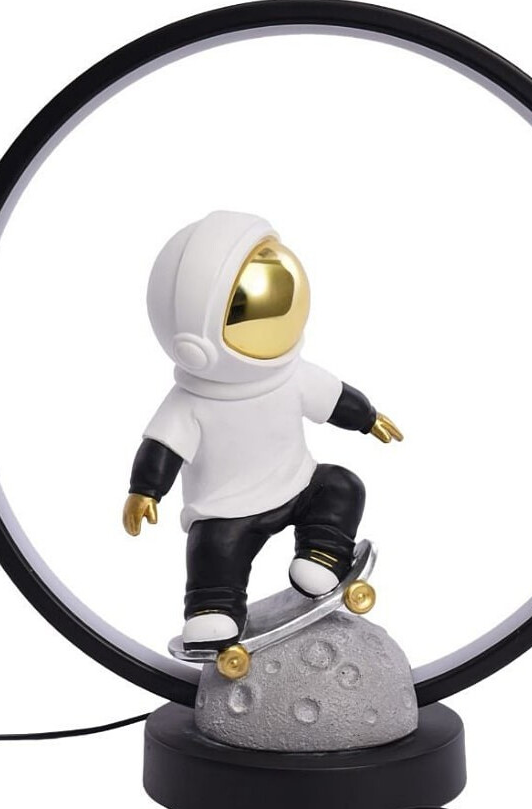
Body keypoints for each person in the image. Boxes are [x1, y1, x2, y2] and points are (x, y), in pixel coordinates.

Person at [123, 211, 402, 649]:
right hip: (226, 511)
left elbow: (333, 398)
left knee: (342, 486)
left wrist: (367, 417)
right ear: (196, 344)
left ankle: (321, 554)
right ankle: (213, 608)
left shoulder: (290, 375)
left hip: (299, 484)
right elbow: (162, 447)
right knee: (212, 551)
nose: (281, 299)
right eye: (249, 304)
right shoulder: (190, 402)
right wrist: (145, 490)